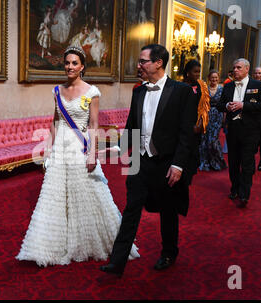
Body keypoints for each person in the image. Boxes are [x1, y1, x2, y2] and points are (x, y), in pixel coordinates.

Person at [16, 46, 139, 267]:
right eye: (67, 63)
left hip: (79, 148)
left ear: (82, 66)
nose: (70, 67)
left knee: (86, 193)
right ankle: (49, 245)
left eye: (74, 63)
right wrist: (48, 150)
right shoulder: (57, 91)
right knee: (54, 196)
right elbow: (55, 122)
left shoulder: (91, 92)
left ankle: (95, 240)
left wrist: (92, 153)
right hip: (60, 148)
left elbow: (93, 124)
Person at [99, 44, 197, 277]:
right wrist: (117, 149)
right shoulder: (138, 91)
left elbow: (187, 133)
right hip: (139, 160)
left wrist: (179, 165)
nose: (139, 65)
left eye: (143, 61)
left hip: (167, 162)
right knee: (131, 209)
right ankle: (118, 262)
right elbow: (132, 127)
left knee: (168, 211)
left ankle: (169, 253)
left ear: (158, 63)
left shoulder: (182, 91)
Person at [217, 58, 261, 208]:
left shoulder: (258, 85)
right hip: (233, 130)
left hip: (250, 131)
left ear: (247, 69)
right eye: (234, 68)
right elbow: (219, 105)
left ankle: (244, 194)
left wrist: (243, 105)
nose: (235, 70)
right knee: (233, 162)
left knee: (247, 163)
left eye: (239, 67)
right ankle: (234, 188)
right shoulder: (228, 86)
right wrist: (227, 105)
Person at [182, 60, 210, 183]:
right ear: (188, 73)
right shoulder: (180, 86)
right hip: (183, 124)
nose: (198, 74)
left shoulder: (201, 86)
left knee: (193, 153)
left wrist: (200, 124)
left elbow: (204, 107)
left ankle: (189, 172)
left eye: (199, 72)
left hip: (196, 125)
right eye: (195, 72)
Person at [199, 70, 227, 171]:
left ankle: (217, 162)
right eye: (212, 77)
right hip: (206, 115)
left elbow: (225, 104)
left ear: (218, 78)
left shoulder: (222, 89)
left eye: (216, 77)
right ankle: (205, 162)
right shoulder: (205, 89)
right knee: (205, 138)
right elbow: (201, 104)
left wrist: (224, 117)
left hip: (218, 116)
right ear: (209, 78)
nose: (214, 79)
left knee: (213, 139)